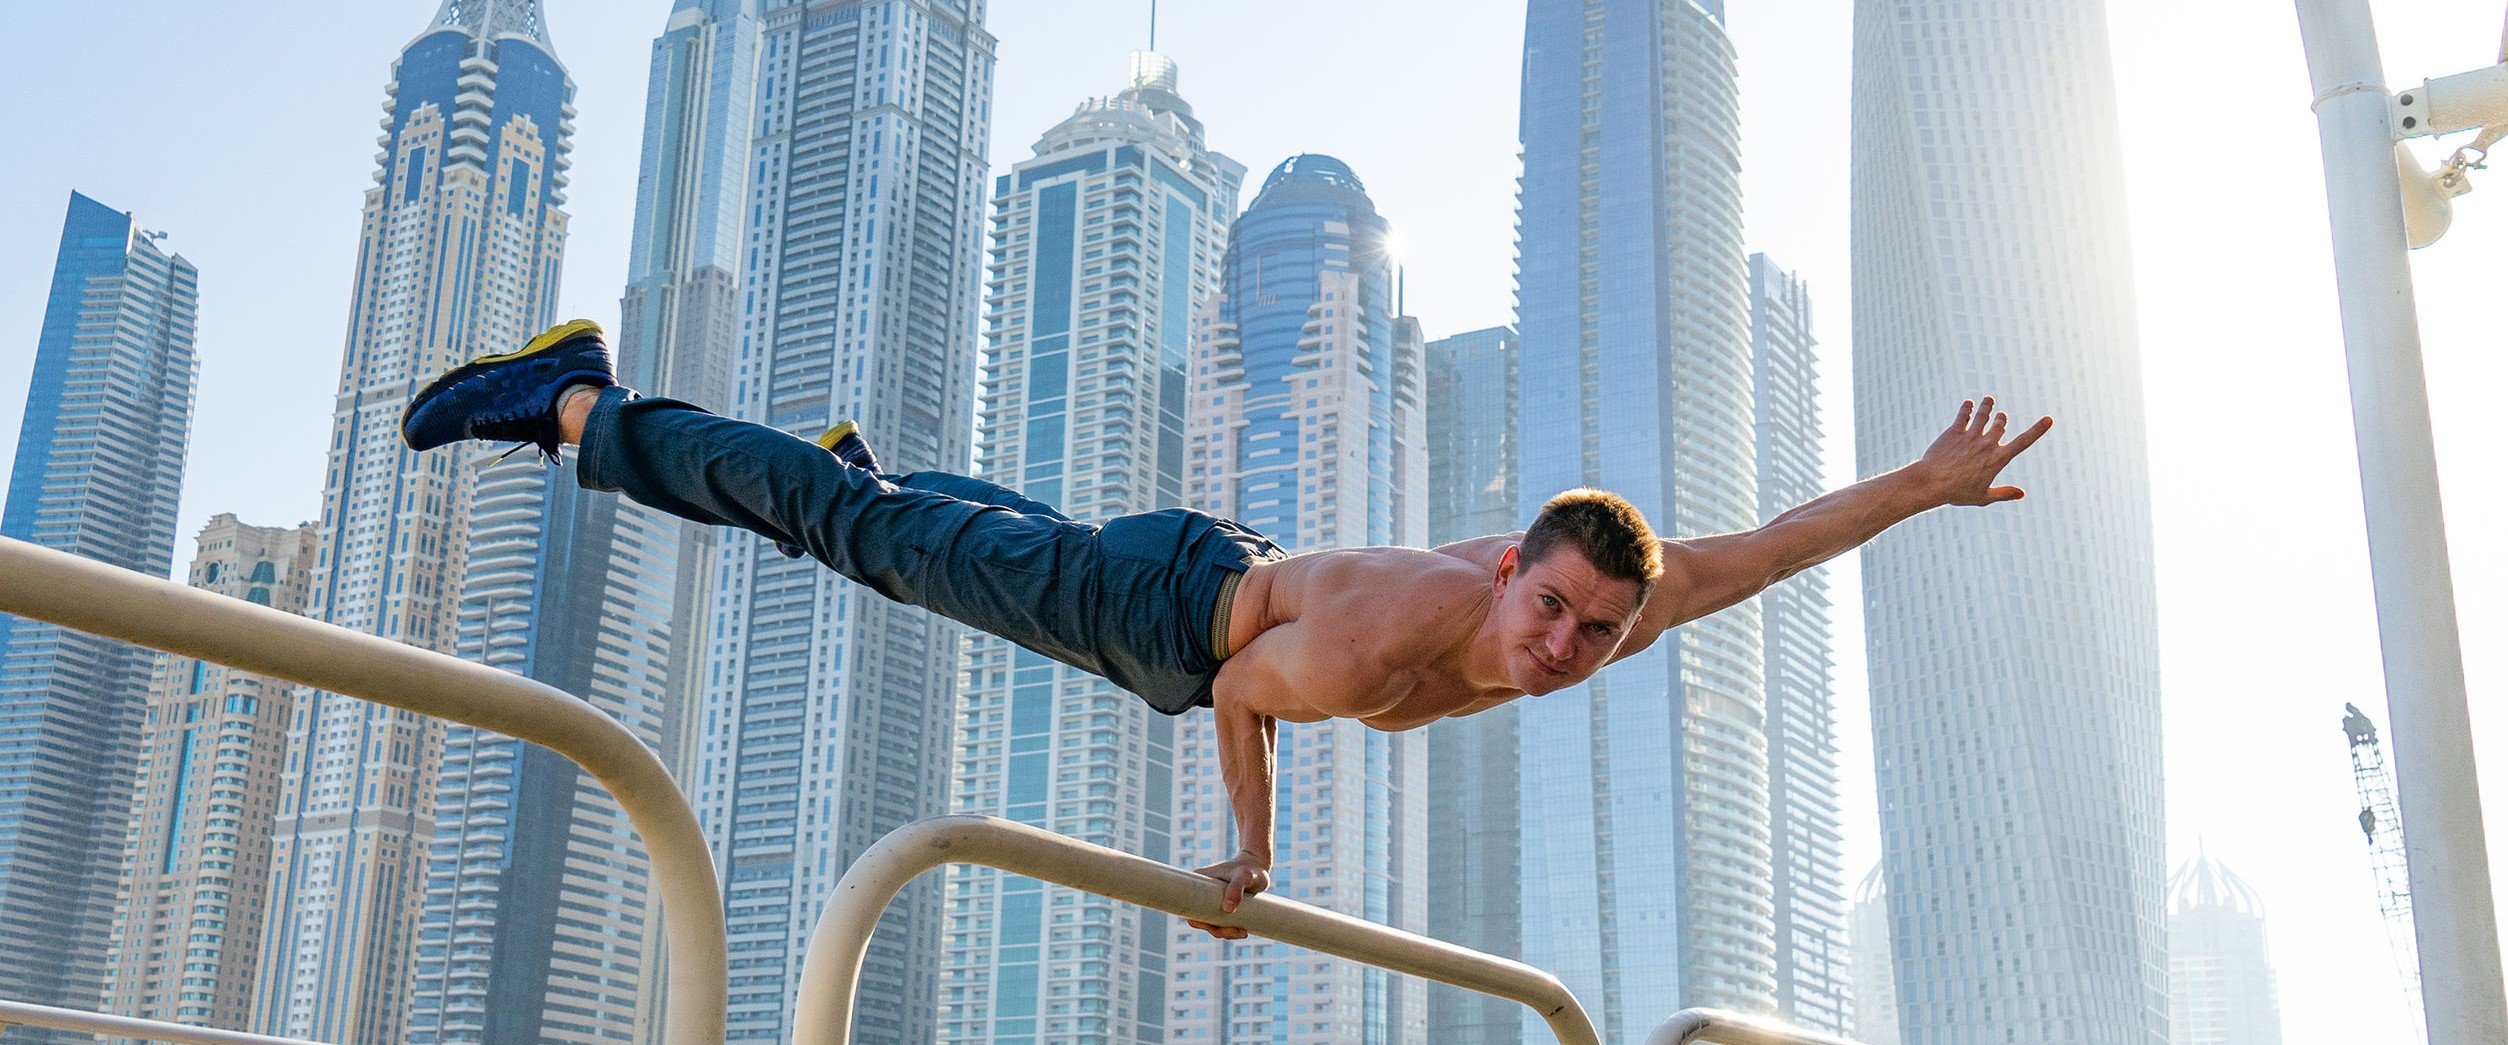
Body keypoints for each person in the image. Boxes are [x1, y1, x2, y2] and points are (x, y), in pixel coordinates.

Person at [402, 319, 2053, 940]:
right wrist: (1248, 860)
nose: (1563, 648)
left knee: (907, 524)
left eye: (1595, 634)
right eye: (1550, 611)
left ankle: (873, 474)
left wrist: (1921, 480)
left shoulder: (1607, 588)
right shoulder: (1390, 640)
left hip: (1211, 569)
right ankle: (571, 403)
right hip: (1171, 618)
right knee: (861, 542)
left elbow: (1763, 549)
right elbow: (1247, 700)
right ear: (1504, 578)